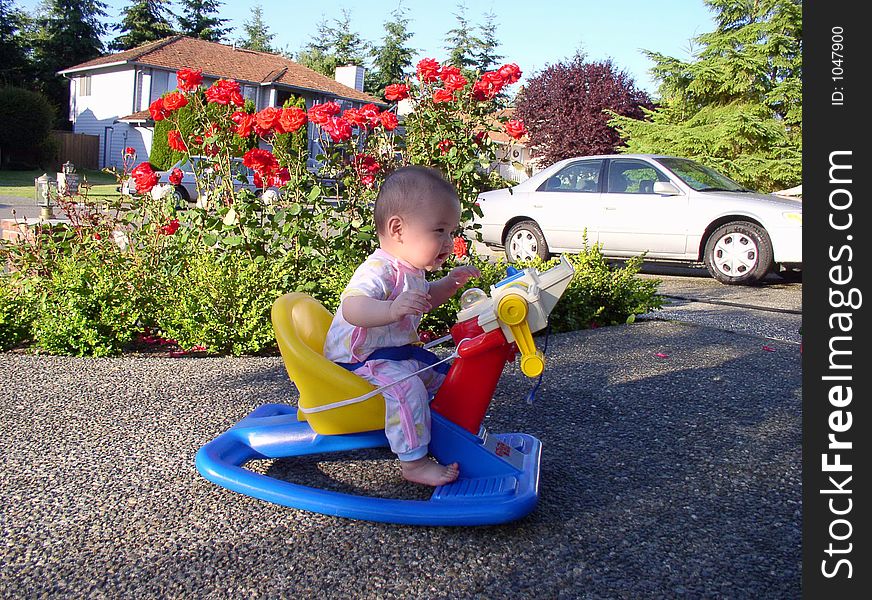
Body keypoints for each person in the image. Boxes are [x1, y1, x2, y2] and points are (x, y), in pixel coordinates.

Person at [324, 165, 480, 486]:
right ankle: (414, 463)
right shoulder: (379, 269)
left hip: (392, 355)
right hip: (357, 360)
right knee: (407, 388)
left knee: (444, 377)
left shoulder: (413, 269)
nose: (449, 242)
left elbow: (426, 297)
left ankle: (440, 432)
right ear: (398, 230)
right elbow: (353, 308)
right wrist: (392, 308)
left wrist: (449, 284)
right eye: (440, 231)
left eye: (451, 232)